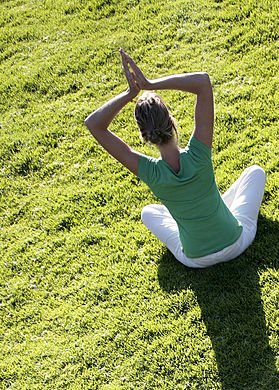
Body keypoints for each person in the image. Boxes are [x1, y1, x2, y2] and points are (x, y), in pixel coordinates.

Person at [84, 49, 266, 268]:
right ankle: (218, 212)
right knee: (255, 172)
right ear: (171, 121)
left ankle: (211, 215)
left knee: (148, 212)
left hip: (196, 259)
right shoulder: (199, 153)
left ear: (144, 135)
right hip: (236, 242)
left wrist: (129, 94)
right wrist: (150, 84)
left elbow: (94, 124)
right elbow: (203, 82)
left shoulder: (150, 172)